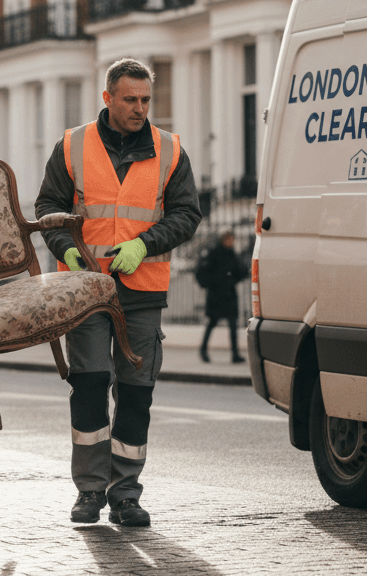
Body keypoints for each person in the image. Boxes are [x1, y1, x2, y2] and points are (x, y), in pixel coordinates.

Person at [36, 58, 202, 528]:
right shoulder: (73, 146)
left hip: (142, 291)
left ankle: (126, 493)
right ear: (107, 98)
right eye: (130, 99)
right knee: (89, 386)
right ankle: (90, 490)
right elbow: (48, 207)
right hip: (85, 292)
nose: (139, 108)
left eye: (146, 99)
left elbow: (187, 214)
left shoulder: (170, 151)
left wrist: (143, 244)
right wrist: (67, 250)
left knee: (135, 392)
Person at [195, 231, 248, 363]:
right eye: (229, 239)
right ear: (223, 240)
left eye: (232, 240)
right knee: (212, 323)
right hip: (216, 295)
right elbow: (202, 271)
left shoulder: (232, 254)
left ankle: (235, 354)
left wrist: (240, 275)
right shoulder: (213, 253)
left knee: (233, 325)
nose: (231, 242)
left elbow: (238, 271)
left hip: (229, 294)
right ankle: (203, 350)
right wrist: (211, 283)